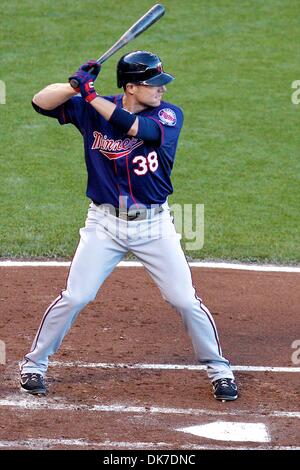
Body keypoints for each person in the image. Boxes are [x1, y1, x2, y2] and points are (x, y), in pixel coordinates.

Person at [19, 51, 238, 401]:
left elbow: (139, 129)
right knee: (77, 295)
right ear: (131, 87)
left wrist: (89, 96)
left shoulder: (168, 115)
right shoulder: (93, 107)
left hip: (154, 225)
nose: (161, 90)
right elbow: (39, 102)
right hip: (104, 224)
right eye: (154, 85)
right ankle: (34, 364)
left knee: (183, 299)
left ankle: (219, 368)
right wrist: (73, 85)